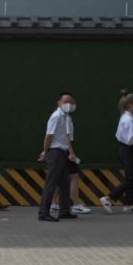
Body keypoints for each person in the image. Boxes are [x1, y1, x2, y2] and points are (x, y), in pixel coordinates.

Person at [100, 89, 133, 214]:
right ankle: (108, 198)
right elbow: (130, 140)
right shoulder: (128, 119)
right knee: (130, 178)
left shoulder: (126, 116)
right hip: (128, 149)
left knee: (132, 177)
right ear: (130, 104)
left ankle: (129, 205)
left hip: (126, 149)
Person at [37, 92, 78, 221]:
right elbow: (48, 136)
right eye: (65, 101)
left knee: (64, 183)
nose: (69, 104)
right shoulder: (56, 116)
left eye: (71, 102)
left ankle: (64, 211)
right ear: (59, 103)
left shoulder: (66, 117)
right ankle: (43, 213)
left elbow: (67, 138)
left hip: (63, 153)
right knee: (51, 183)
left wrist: (71, 153)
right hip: (55, 153)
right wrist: (45, 151)